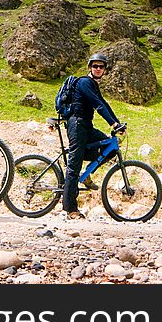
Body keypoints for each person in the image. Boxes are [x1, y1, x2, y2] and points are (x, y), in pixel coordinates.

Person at [61, 53, 123, 220]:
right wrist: (112, 124)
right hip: (77, 125)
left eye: (101, 67)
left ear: (104, 70)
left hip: (86, 126)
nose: (98, 69)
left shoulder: (93, 85)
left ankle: (87, 173)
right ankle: (71, 209)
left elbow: (104, 104)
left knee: (110, 148)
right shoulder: (84, 82)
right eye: (95, 66)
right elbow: (97, 106)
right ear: (90, 67)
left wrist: (117, 123)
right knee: (73, 166)